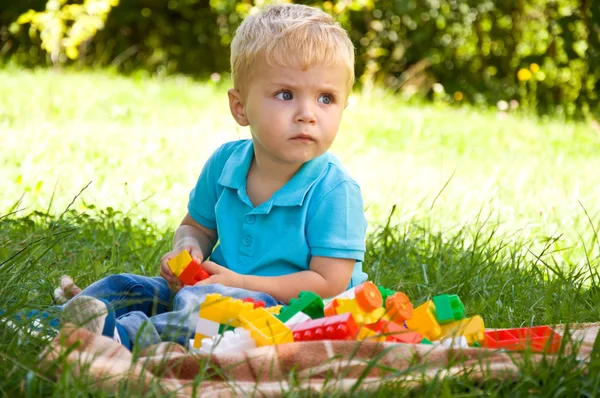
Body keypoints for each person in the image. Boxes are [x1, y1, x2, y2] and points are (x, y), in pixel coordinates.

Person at [54, 3, 368, 350]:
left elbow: (329, 284)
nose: (307, 114)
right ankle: (59, 320)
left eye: (326, 98)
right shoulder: (225, 164)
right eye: (286, 94)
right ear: (240, 107)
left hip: (290, 313)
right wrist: (187, 248)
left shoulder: (334, 190)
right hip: (215, 289)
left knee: (199, 311)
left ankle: (122, 337)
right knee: (128, 286)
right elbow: (197, 227)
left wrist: (242, 283)